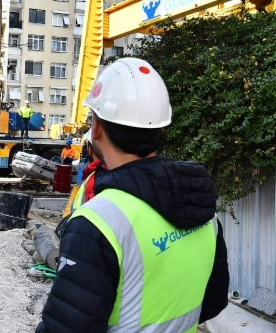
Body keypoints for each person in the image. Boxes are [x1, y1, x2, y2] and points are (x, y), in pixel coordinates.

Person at [37, 58, 229, 332]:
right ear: (159, 129)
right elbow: (213, 302)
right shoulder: (201, 207)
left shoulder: (98, 224)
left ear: (97, 127)